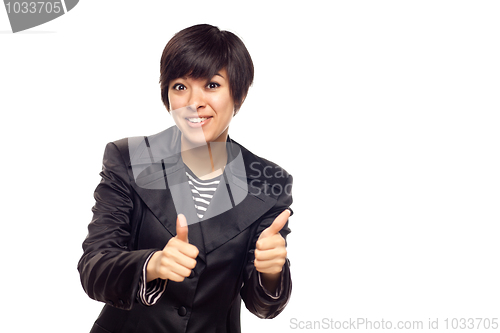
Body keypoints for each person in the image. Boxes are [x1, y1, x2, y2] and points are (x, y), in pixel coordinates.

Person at [78, 24, 294, 333]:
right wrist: (152, 264)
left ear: (239, 93)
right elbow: (94, 268)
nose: (194, 101)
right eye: (180, 86)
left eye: (212, 85)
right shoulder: (129, 159)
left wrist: (271, 272)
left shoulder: (269, 182)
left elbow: (264, 306)